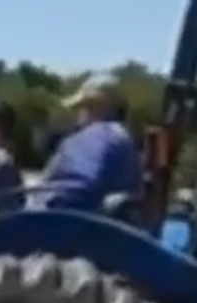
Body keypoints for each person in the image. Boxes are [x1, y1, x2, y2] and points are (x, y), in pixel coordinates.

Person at [39, 72, 143, 213]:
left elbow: (73, 192)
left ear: (98, 106)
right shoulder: (124, 140)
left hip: (71, 229)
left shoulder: (101, 136)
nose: (78, 116)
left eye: (81, 108)